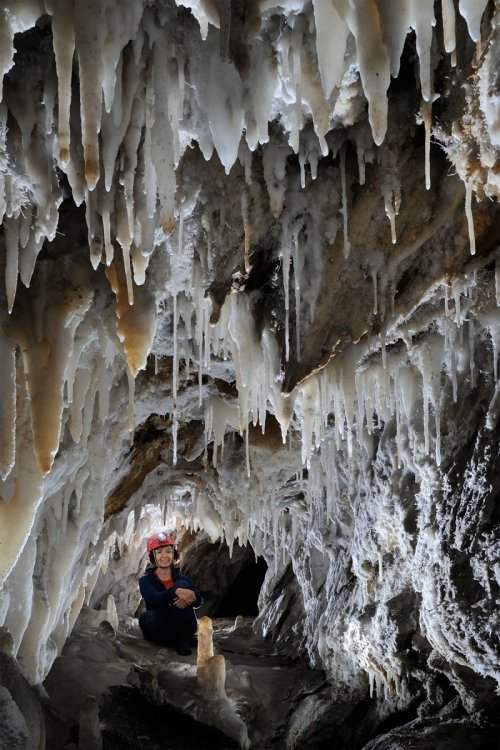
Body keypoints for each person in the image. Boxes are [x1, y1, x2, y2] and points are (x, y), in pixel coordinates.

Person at [138, 530, 202, 655]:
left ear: (174, 554)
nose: (165, 556)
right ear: (152, 556)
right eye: (159, 552)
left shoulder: (183, 579)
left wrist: (192, 597)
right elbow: (153, 598)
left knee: (182, 584)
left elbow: (198, 602)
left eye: (168, 551)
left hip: (185, 623)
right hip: (160, 625)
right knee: (146, 618)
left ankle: (180, 639)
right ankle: (182, 640)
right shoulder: (145, 581)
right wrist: (176, 591)